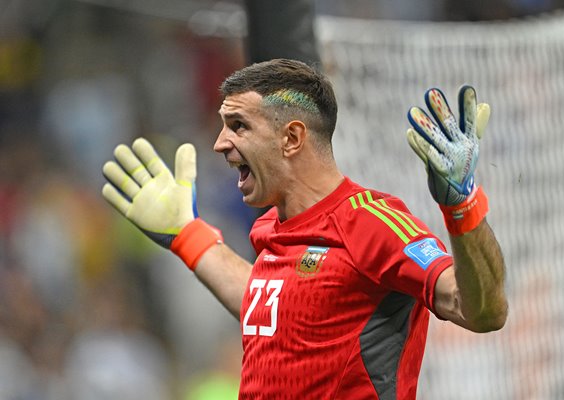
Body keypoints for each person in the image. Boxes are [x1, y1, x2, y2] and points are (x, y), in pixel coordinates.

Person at [101, 58, 507, 399]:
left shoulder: (370, 221)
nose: (220, 143)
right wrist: (187, 235)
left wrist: (463, 207)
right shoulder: (271, 229)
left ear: (292, 137)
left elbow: (483, 312)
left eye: (238, 125)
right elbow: (277, 309)